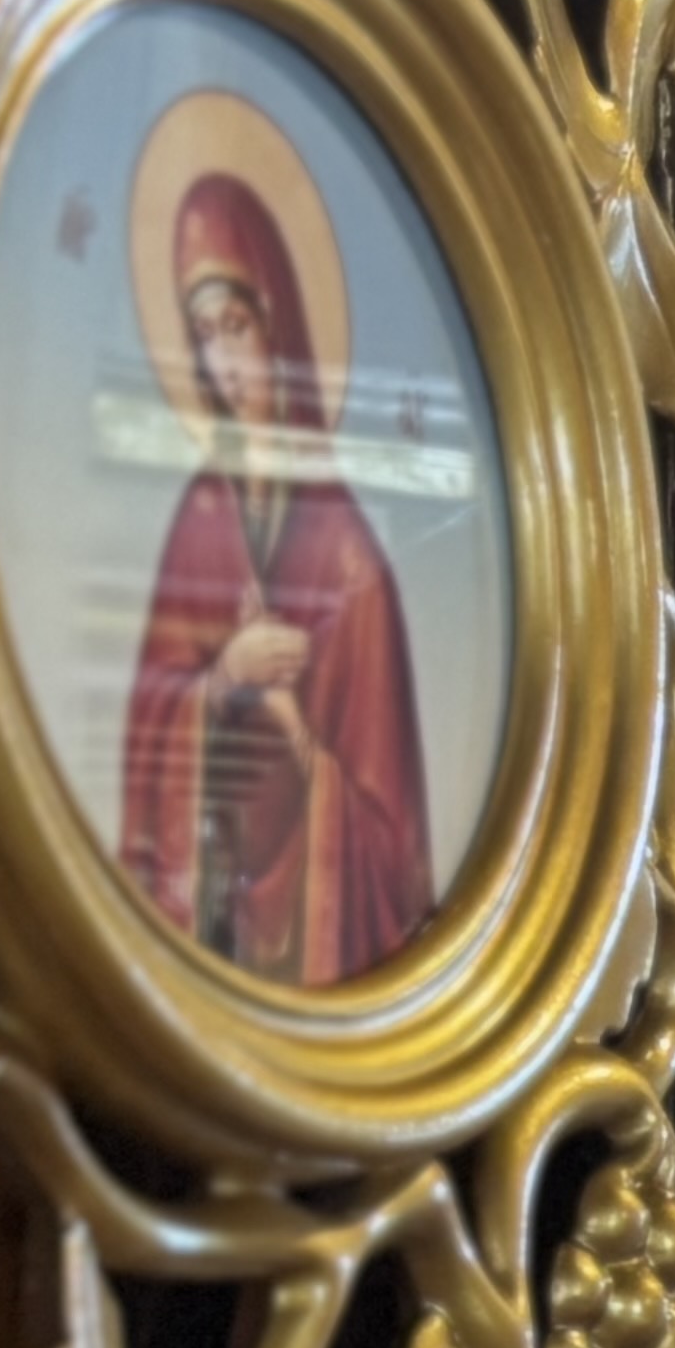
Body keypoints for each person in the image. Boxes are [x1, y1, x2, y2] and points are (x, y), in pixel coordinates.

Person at [116, 157, 438, 983]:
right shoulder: (202, 517)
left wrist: (295, 732)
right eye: (204, 336)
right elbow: (153, 707)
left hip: (311, 944)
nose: (223, 361)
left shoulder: (348, 555)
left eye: (236, 327)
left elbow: (393, 849)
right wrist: (224, 677)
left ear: (278, 325)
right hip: (210, 918)